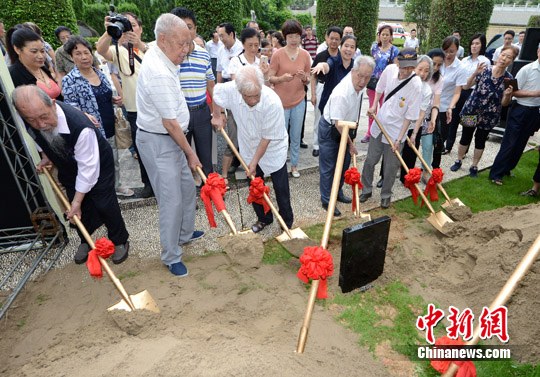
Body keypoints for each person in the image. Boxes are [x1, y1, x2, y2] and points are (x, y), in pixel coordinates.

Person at [13, 85, 130, 265]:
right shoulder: (29, 117)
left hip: (95, 162)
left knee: (103, 201)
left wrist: (78, 201)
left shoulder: (81, 127)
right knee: (72, 203)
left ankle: (119, 239)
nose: (41, 124)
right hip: (65, 161)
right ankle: (86, 238)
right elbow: (36, 137)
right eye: (32, 120)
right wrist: (45, 155)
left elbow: (87, 171)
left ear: (52, 104)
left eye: (44, 117)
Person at [136, 13, 204, 277]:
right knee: (171, 200)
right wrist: (191, 154)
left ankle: (185, 233)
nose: (185, 50)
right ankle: (171, 255)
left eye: (188, 43)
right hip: (160, 140)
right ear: (163, 40)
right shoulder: (158, 73)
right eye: (181, 44)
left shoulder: (160, 52)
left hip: (173, 138)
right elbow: (170, 124)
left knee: (187, 188)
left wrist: (186, 151)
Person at [212, 65, 294, 233]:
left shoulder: (272, 102)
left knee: (281, 188)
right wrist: (217, 114)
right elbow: (216, 92)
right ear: (239, 91)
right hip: (248, 145)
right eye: (249, 96)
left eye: (257, 95)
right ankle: (264, 218)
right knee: (256, 186)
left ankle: (287, 221)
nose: (253, 100)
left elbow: (266, 138)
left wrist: (254, 162)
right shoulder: (231, 89)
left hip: (272, 148)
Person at [61, 36, 134, 198]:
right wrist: (85, 115)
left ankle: (117, 185)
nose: (84, 57)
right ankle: (103, 190)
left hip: (108, 123)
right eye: (78, 54)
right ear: (71, 57)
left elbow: (104, 93)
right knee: (95, 161)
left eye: (86, 52)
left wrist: (114, 100)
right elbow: (70, 107)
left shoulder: (99, 73)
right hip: (90, 128)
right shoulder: (70, 80)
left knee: (113, 158)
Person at [96, 12, 153, 198]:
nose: (131, 29)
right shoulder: (120, 51)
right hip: (135, 110)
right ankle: (148, 184)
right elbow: (101, 50)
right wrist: (109, 31)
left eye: (134, 25)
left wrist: (140, 45)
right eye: (127, 25)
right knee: (141, 149)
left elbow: (163, 61)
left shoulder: (152, 48)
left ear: (141, 28)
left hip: (157, 108)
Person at [360, 47, 422, 209]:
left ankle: (386, 195)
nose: (407, 70)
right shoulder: (389, 70)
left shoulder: (416, 85)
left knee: (390, 167)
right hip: (379, 124)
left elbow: (410, 116)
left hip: (396, 131)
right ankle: (366, 189)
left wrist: (399, 138)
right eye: (404, 66)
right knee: (370, 160)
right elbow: (379, 89)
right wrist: (373, 106)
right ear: (397, 62)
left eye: (410, 67)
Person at [318, 56, 375, 216]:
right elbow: (338, 124)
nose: (363, 81)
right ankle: (327, 200)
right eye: (360, 76)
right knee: (328, 167)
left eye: (367, 77)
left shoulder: (359, 86)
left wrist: (352, 134)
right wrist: (351, 144)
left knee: (343, 164)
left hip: (346, 127)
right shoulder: (341, 93)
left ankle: (338, 192)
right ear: (353, 71)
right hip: (331, 128)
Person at [450, 45, 518, 178]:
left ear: (512, 61)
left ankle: (474, 166)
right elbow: (466, 86)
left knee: (480, 140)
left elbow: (505, 104)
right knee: (465, 137)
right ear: (499, 55)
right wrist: (475, 73)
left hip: (489, 116)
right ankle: (458, 160)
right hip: (471, 110)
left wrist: (507, 95)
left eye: (509, 57)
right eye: (503, 55)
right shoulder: (483, 70)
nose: (504, 59)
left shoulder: (510, 80)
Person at [171, 7, 216, 178]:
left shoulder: (204, 55)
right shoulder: (169, 57)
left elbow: (211, 86)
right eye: (180, 26)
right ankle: (188, 197)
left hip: (202, 112)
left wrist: (217, 113)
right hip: (179, 115)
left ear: (195, 28)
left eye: (189, 26)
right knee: (182, 158)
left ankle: (211, 193)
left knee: (206, 157)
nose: (185, 31)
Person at [489, 43, 540, 185]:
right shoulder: (527, 69)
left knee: (521, 143)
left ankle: (507, 169)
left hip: (535, 111)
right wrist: (536, 93)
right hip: (520, 109)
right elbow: (513, 92)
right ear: (538, 52)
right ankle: (495, 174)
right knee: (509, 143)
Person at [268, 19, 311, 178]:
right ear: (285, 37)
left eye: (296, 36)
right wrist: (281, 79)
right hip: (280, 102)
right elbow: (270, 78)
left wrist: (304, 78)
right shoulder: (277, 54)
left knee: (295, 135)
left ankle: (294, 165)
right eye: (290, 36)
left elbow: (307, 78)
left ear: (301, 37)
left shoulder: (305, 55)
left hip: (299, 101)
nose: (294, 39)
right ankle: (278, 166)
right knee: (280, 136)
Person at [361, 24, 399, 143]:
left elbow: (396, 67)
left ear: (391, 36)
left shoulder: (394, 50)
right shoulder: (374, 48)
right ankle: (369, 132)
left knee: (385, 109)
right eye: (383, 34)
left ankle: (383, 131)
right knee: (372, 108)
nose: (385, 37)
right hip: (373, 83)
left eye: (387, 34)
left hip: (387, 84)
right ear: (379, 35)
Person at [400, 55, 434, 183]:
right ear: (414, 68)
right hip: (399, 123)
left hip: (415, 125)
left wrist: (414, 133)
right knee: (394, 150)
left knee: (410, 152)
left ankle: (406, 178)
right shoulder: (405, 82)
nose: (422, 73)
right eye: (420, 69)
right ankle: (384, 176)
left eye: (426, 71)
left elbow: (422, 113)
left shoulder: (427, 90)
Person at [433, 36, 468, 163]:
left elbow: (457, 92)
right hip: (430, 104)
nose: (448, 54)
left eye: (452, 51)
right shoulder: (437, 60)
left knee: (439, 138)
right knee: (426, 137)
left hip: (444, 106)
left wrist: (450, 107)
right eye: (445, 50)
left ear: (458, 50)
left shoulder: (460, 68)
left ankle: (435, 165)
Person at [310, 26, 343, 158]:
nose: (334, 41)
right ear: (326, 38)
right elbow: (313, 76)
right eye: (331, 38)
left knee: (335, 116)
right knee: (319, 117)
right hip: (322, 88)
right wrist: (313, 94)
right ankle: (316, 144)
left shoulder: (343, 56)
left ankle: (333, 141)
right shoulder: (321, 56)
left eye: (337, 39)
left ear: (340, 41)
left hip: (337, 90)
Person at [7, 27, 62, 100]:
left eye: (42, 51)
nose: (41, 56)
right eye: (34, 51)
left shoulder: (43, 67)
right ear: (17, 50)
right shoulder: (13, 75)